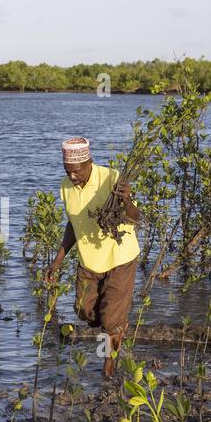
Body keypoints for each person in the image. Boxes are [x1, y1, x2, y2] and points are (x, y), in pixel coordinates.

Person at [44, 137, 140, 379]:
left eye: (76, 171)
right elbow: (73, 223)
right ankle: (116, 327)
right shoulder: (65, 186)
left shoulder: (111, 178)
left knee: (110, 322)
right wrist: (57, 261)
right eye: (68, 172)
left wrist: (126, 199)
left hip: (120, 258)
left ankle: (108, 367)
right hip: (89, 262)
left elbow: (135, 217)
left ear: (89, 163)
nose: (73, 176)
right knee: (84, 311)